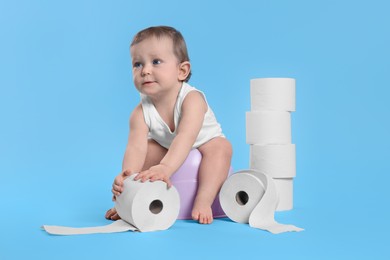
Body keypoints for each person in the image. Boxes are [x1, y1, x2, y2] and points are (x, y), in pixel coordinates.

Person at [105, 26, 232, 224]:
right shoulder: (139, 113)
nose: (145, 70)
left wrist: (165, 167)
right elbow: (135, 148)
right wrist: (126, 182)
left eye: (156, 62)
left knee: (222, 148)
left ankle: (204, 200)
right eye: (137, 64)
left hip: (202, 141)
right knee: (148, 149)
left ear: (182, 71)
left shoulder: (192, 100)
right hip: (167, 146)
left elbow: (185, 137)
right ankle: (134, 200)